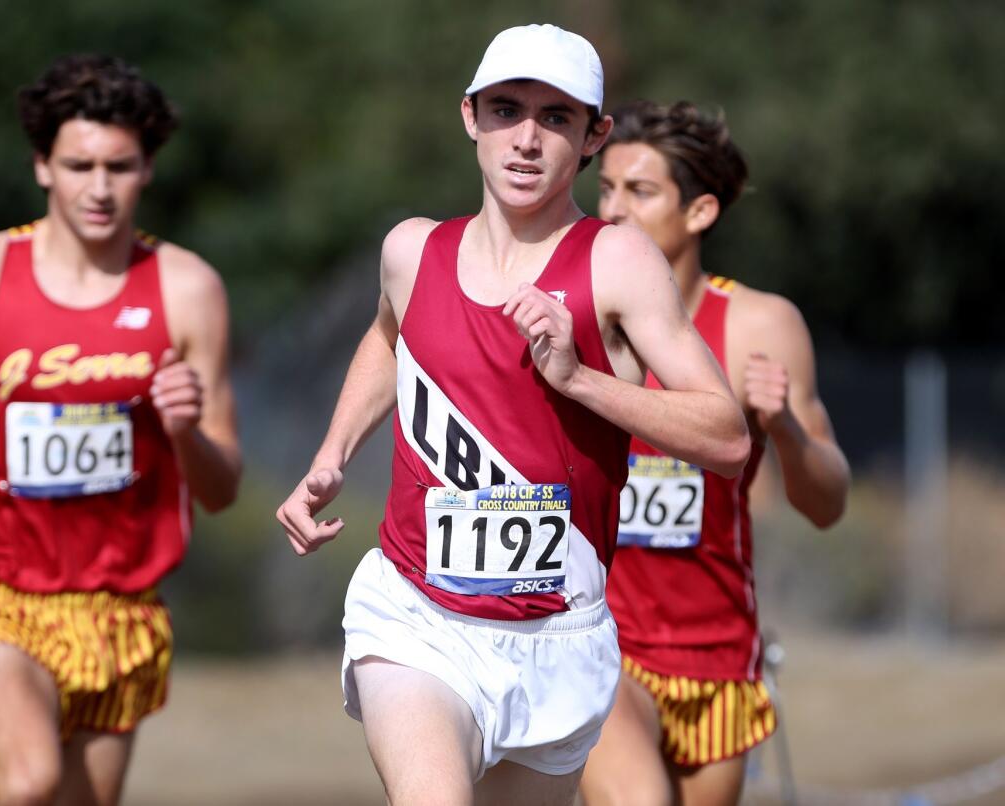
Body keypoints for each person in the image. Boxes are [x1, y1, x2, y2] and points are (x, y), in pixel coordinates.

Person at [276, 26, 749, 806]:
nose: (526, 139)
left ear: (594, 135)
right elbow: (389, 332)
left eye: (556, 118)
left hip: (559, 635)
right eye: (505, 110)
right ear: (469, 117)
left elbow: (726, 437)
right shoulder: (412, 249)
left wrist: (581, 380)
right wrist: (332, 456)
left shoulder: (618, 262)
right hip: (417, 616)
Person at [0, 54, 241, 806]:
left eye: (119, 167)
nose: (98, 188)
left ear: (148, 170)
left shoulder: (188, 288)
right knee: (24, 780)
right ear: (42, 166)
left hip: (118, 602)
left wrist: (186, 430)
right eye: (78, 165)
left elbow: (222, 488)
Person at [580, 100, 850, 806]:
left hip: (716, 657)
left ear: (700, 213)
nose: (612, 211)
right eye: (605, 188)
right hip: (599, 641)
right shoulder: (570, 314)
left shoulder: (759, 325)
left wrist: (785, 429)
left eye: (639, 192)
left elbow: (827, 504)